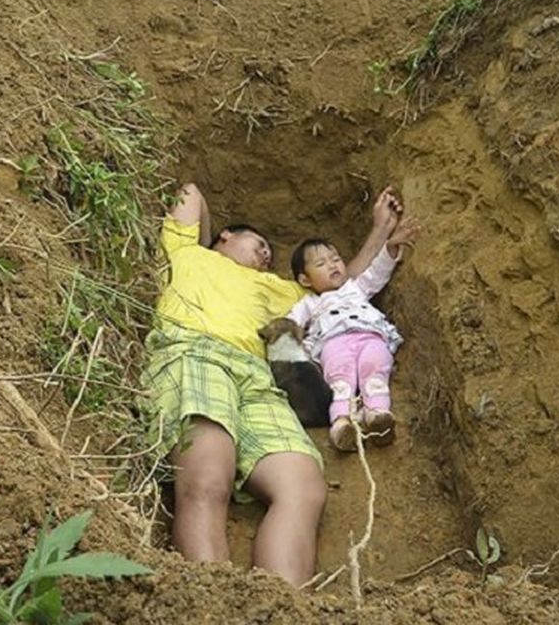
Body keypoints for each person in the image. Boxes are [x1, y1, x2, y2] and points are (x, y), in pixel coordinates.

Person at [142, 182, 402, 585]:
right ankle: (208, 605)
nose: (266, 255)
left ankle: (283, 606)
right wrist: (208, 240)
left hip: (258, 376)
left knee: (303, 487)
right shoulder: (186, 252)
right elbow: (190, 193)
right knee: (208, 476)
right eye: (259, 244)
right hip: (195, 351)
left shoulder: (278, 289)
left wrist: (381, 228)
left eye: (270, 253)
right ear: (225, 236)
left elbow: (340, 285)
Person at [287, 209, 420, 452]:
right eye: (321, 263)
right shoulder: (310, 303)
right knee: (340, 381)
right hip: (333, 343)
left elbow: (377, 273)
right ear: (305, 280)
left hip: (371, 337)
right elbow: (290, 324)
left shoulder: (355, 288)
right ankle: (341, 424)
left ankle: (378, 415)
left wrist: (391, 247)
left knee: (375, 371)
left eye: (336, 258)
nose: (332, 265)